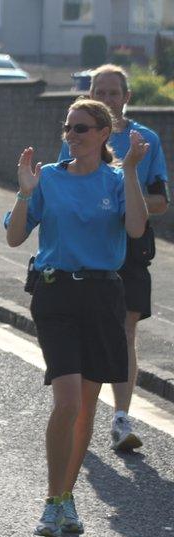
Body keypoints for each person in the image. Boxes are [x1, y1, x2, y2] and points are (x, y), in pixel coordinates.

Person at [7, 98, 148, 537]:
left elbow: (138, 230)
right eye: (68, 127)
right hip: (56, 292)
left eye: (82, 128)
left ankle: (65, 496)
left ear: (103, 133)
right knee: (67, 400)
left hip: (104, 293)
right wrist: (24, 192)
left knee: (87, 405)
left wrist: (129, 172)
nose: (72, 134)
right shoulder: (47, 178)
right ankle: (52, 502)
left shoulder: (116, 177)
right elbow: (14, 238)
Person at [57, 64, 170, 452]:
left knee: (125, 331)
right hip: (87, 249)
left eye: (113, 93)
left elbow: (161, 201)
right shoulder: (77, 133)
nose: (107, 99)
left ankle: (121, 418)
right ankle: (81, 411)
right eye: (99, 92)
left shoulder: (147, 140)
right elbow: (62, 183)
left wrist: (127, 200)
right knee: (89, 331)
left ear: (127, 98)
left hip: (131, 249)